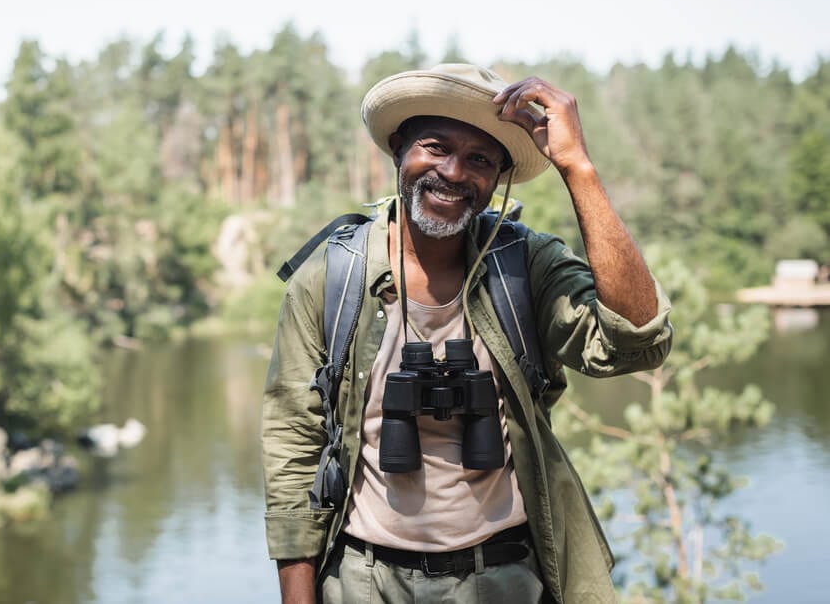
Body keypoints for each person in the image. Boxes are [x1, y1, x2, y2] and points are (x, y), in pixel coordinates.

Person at [262, 63, 673, 604]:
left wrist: (578, 168)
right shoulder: (331, 278)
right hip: (364, 578)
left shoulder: (524, 266)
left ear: (499, 179)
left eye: (479, 159)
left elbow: (636, 344)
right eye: (434, 147)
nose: (454, 173)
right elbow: (293, 443)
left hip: (501, 577)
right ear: (397, 152)